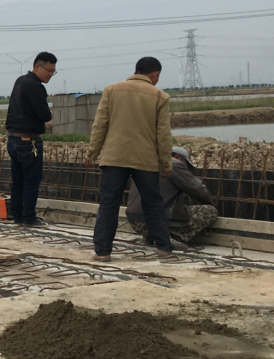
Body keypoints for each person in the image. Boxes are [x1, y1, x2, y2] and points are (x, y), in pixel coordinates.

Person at [85, 56, 175, 261]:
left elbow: (100, 125)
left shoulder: (112, 90)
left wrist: (92, 153)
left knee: (109, 204)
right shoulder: (160, 96)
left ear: (136, 71)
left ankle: (103, 252)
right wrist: (166, 163)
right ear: (155, 74)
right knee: (153, 203)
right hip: (145, 160)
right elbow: (163, 134)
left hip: (114, 158)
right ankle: (164, 248)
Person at [126, 146, 218, 246]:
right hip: (157, 221)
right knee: (210, 211)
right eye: (186, 164)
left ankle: (150, 237)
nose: (186, 168)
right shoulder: (175, 164)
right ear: (177, 157)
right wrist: (211, 204)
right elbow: (199, 190)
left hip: (135, 221)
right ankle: (177, 237)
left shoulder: (147, 163)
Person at [5, 52, 57, 227]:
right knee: (31, 180)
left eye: (53, 72)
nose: (50, 74)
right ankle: (28, 217)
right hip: (29, 141)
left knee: (18, 179)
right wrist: (48, 112)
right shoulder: (35, 86)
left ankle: (17, 215)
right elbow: (44, 115)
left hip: (14, 139)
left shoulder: (20, 81)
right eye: (49, 70)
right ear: (37, 66)